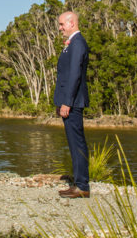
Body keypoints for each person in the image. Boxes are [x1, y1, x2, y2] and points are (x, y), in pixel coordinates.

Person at [53, 11, 90, 198]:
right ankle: (78, 183)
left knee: (78, 143)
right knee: (73, 143)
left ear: (72, 23)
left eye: (61, 24)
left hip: (73, 102)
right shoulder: (72, 44)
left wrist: (67, 102)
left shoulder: (77, 43)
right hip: (69, 101)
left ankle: (82, 185)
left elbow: (75, 74)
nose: (60, 28)